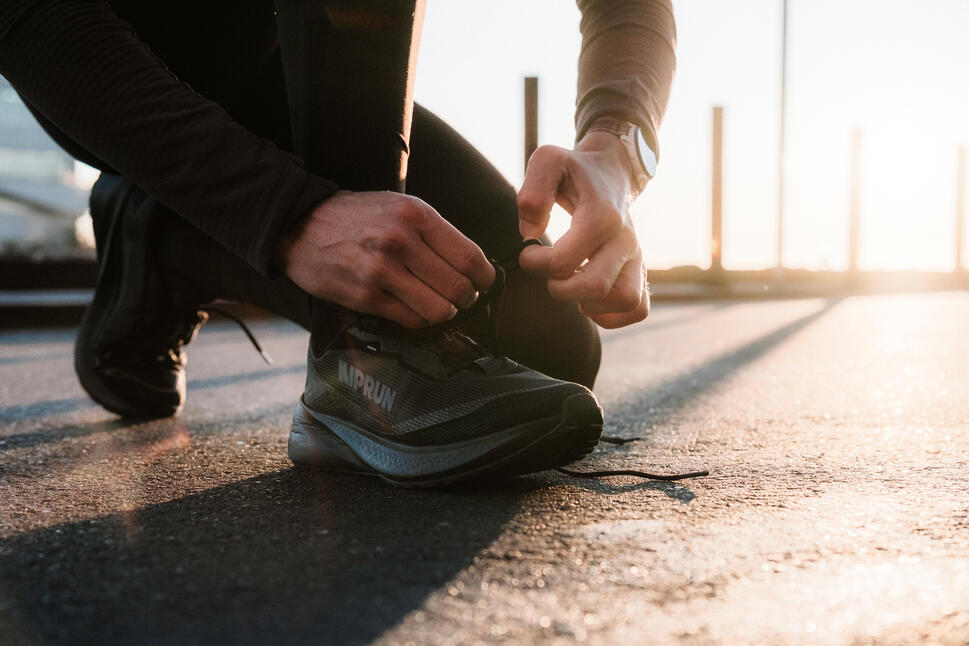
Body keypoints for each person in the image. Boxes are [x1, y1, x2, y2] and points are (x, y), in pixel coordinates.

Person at [0, 0, 675, 485]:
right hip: (104, 54)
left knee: (546, 342)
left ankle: (162, 234)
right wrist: (287, 216)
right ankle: (358, 358)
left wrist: (616, 151)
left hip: (277, 64)